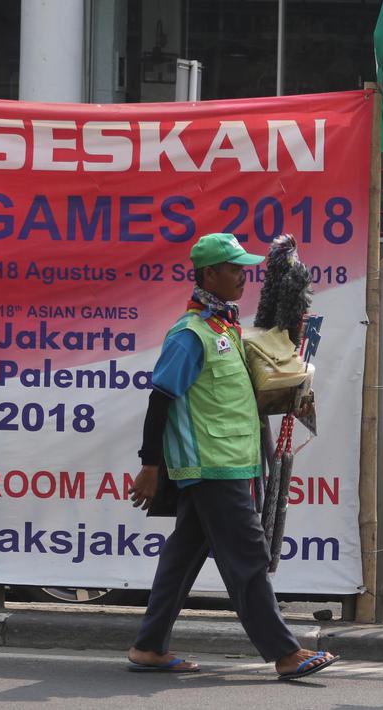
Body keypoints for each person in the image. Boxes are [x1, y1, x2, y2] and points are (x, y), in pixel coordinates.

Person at [125, 232, 338, 680]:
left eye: (245, 267)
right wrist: (150, 467)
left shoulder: (226, 328)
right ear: (209, 274)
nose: (244, 276)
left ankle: (148, 647)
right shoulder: (189, 335)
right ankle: (285, 652)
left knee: (182, 557)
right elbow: (160, 401)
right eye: (235, 269)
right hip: (210, 465)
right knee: (248, 559)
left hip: (232, 462)